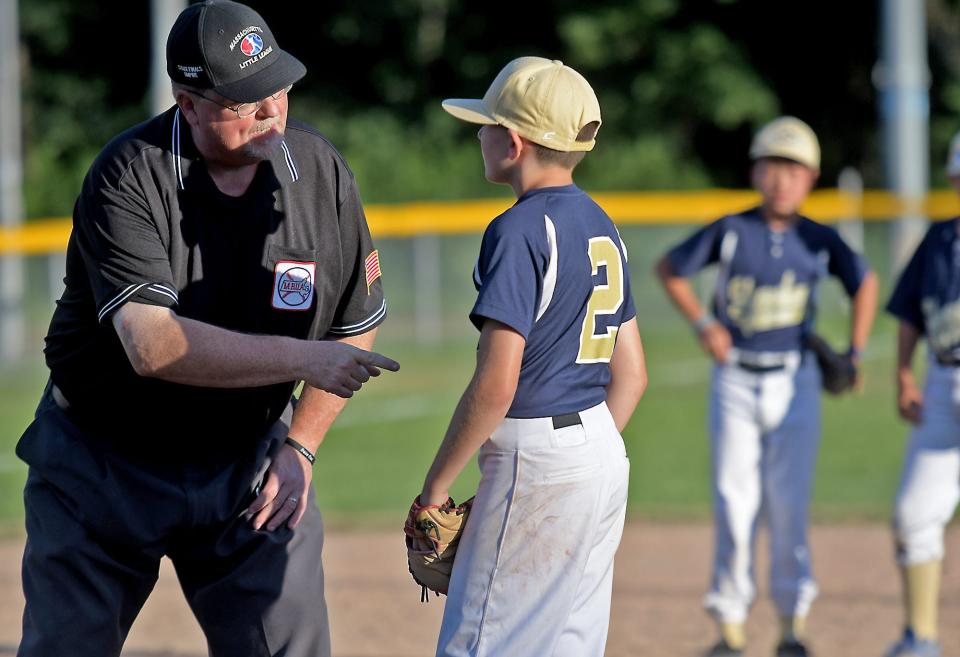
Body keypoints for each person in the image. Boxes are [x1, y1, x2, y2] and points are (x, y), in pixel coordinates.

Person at [15, 2, 398, 656]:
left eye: (278, 88)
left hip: (245, 464)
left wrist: (301, 444)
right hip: (104, 463)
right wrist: (303, 361)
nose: (272, 110)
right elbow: (153, 343)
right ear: (187, 103)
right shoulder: (129, 173)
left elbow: (352, 322)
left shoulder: (318, 171)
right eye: (246, 101)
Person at [416, 56, 648, 657]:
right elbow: (633, 375)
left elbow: (496, 385)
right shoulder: (603, 225)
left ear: (513, 143)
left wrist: (434, 492)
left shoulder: (518, 229)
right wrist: (582, 450)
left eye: (487, 124)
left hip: (535, 456)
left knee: (480, 644)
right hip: (601, 452)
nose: (480, 135)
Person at [655, 116, 878, 657]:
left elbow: (865, 281)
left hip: (795, 380)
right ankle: (730, 627)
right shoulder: (732, 230)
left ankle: (790, 625)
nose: (782, 178)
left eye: (794, 168)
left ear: (812, 177)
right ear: (756, 170)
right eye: (772, 165)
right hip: (735, 379)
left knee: (788, 506)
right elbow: (670, 268)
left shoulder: (818, 238)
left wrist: (855, 351)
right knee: (735, 501)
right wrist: (704, 324)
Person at [881, 132, 960, 657]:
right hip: (941, 379)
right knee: (914, 514)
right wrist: (904, 376)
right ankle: (921, 639)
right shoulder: (938, 240)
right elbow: (911, 311)